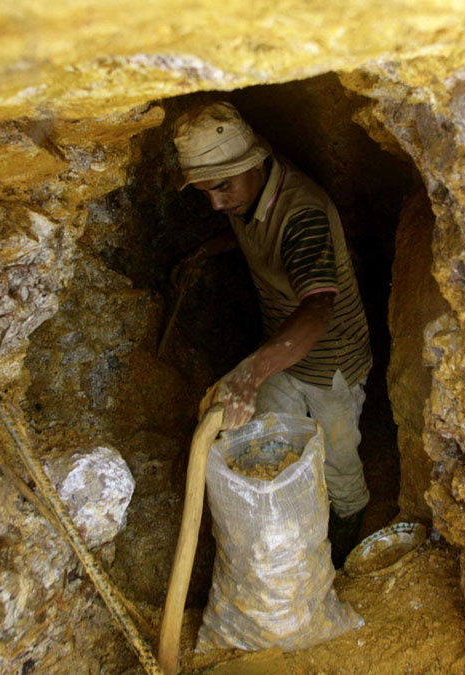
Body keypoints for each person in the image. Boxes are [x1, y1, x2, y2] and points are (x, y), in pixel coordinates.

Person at [171, 101, 372, 566]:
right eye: (205, 192)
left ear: (254, 163)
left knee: (338, 461)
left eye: (221, 186)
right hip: (280, 353)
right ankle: (292, 533)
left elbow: (319, 306)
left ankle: (344, 543)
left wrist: (250, 372)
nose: (216, 203)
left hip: (329, 363)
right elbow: (252, 236)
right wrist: (207, 250)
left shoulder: (301, 214)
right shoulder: (248, 196)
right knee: (272, 446)